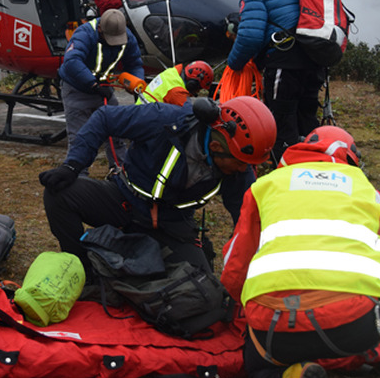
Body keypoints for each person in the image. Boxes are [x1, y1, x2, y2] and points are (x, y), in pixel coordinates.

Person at [220, 126, 380, 378]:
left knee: (260, 367)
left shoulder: (264, 187)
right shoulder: (369, 192)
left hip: (273, 330)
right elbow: (379, 257)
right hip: (355, 328)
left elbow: (234, 268)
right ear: (350, 158)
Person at [39, 96, 276, 277]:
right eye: (240, 163)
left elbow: (247, 221)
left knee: (200, 286)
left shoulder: (238, 167)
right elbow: (105, 118)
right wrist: (73, 166)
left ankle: (145, 255)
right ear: (216, 147)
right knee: (60, 195)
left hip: (173, 223)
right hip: (124, 201)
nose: (244, 170)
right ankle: (85, 273)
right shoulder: (165, 120)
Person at [226, 0, 326, 164]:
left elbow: (250, 36)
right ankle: (317, 168)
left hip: (285, 61)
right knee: (306, 117)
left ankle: (287, 174)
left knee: (281, 120)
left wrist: (233, 64)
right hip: (314, 59)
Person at [58, 8, 145, 171]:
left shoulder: (126, 36)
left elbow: (135, 63)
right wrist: (92, 84)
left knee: (116, 132)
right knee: (79, 137)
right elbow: (71, 62)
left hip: (103, 89)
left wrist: (136, 83)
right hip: (77, 89)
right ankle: (77, 174)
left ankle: (120, 171)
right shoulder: (84, 34)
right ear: (100, 30)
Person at [135, 60, 214, 106]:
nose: (197, 92)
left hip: (142, 109)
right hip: (146, 119)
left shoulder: (173, 72)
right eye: (198, 88)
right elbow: (189, 114)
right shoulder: (177, 91)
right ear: (192, 84)